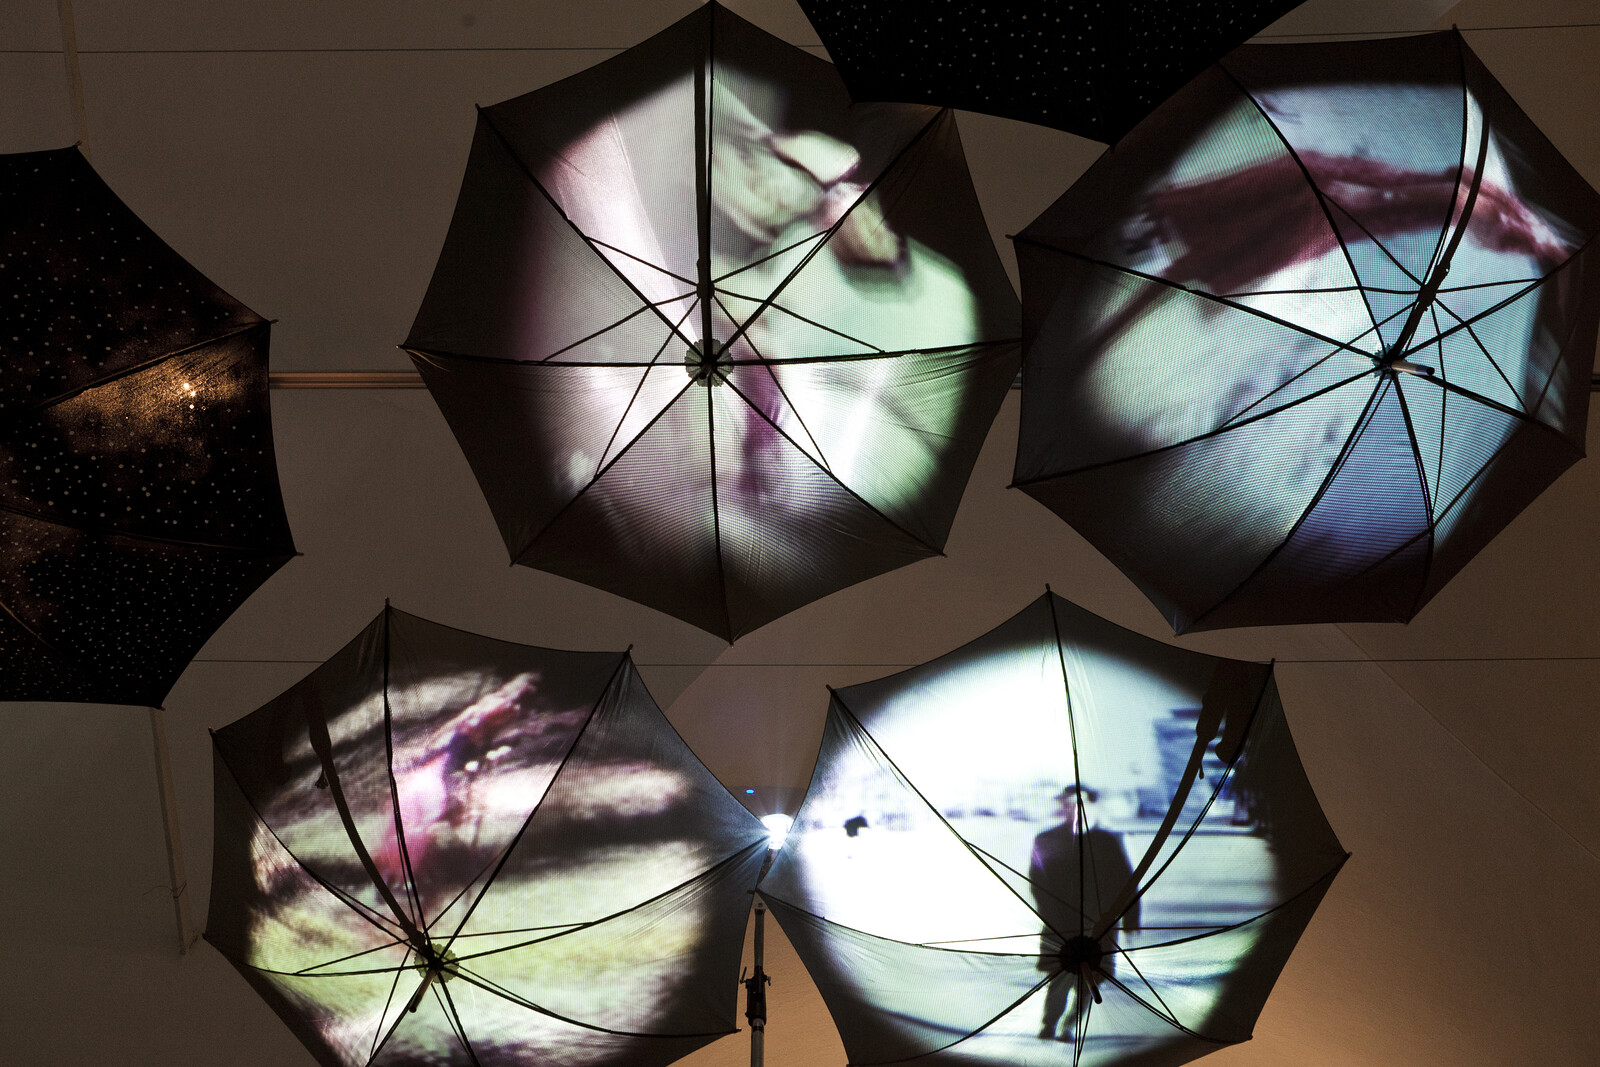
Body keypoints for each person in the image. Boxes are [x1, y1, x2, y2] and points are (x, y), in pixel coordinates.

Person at [1028, 785, 1139, 1042]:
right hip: (1061, 924)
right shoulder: (1046, 839)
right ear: (1062, 807)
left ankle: (1069, 1026)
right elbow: (1037, 882)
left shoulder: (1108, 842)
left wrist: (1130, 920)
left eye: (1079, 804)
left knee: (1091, 980)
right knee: (1061, 975)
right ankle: (1049, 1023)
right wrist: (1052, 917)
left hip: (1099, 924)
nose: (1073, 809)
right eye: (1068, 804)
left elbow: (1126, 883)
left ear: (1091, 806)